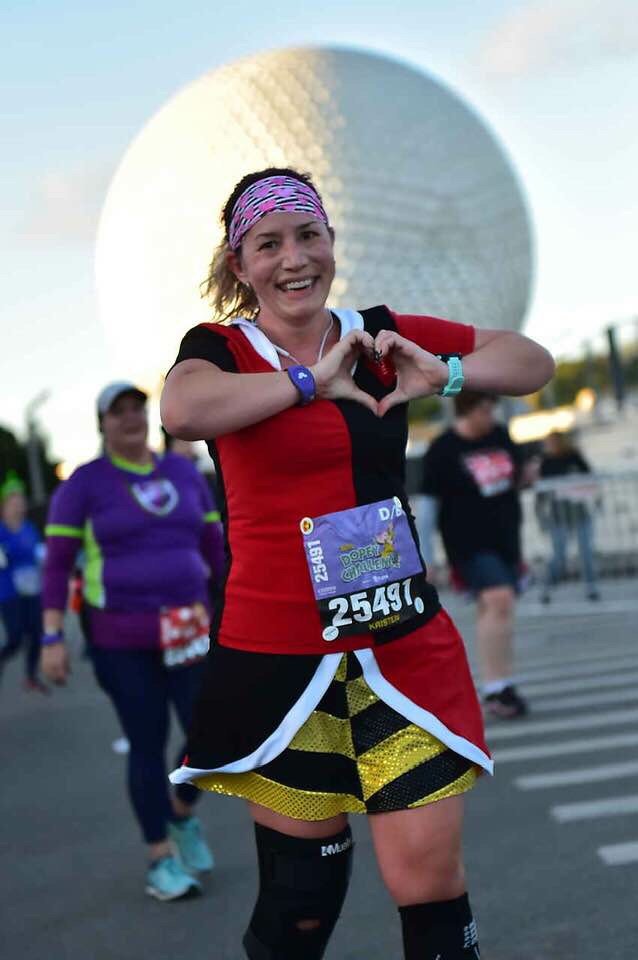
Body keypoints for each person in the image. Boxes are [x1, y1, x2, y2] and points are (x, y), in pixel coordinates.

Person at [161, 168, 554, 959]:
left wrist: (441, 372)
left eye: (308, 236)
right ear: (242, 265)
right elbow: (182, 410)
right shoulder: (221, 348)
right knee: (301, 901)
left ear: (333, 242)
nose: (293, 258)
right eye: (268, 245)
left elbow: (530, 362)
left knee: (430, 887)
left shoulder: (378, 334)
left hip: (400, 648)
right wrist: (309, 382)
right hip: (278, 658)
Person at [40, 381, 224, 901]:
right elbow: (56, 566)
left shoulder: (183, 472)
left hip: (190, 630)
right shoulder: (84, 484)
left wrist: (235, 607)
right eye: (116, 412)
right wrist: (52, 635)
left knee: (209, 737)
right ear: (101, 423)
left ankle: (182, 814)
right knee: (146, 743)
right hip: (121, 637)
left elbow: (214, 546)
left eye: (136, 409)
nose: (129, 418)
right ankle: (160, 857)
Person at [420, 391, 533, 720]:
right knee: (499, 599)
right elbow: (428, 508)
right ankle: (496, 686)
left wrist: (528, 477)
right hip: (467, 543)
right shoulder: (443, 450)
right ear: (466, 410)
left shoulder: (499, 435)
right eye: (485, 409)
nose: (490, 417)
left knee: (497, 608)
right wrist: (425, 557)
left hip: (506, 539)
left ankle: (500, 682)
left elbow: (515, 480)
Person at [537, 430, 600, 603]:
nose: (550, 445)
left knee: (586, 551)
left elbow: (589, 476)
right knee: (558, 555)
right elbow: (541, 493)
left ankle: (591, 587)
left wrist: (597, 500)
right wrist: (541, 517)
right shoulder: (546, 462)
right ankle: (548, 588)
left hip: (579, 512)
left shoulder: (574, 456)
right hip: (558, 515)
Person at [0, 471, 47, 692]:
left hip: (33, 590)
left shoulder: (29, 528)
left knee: (37, 634)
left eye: (21, 501)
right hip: (9, 593)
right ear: (4, 506)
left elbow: (39, 553)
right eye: (14, 502)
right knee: (16, 637)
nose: (19, 506)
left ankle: (30, 675)